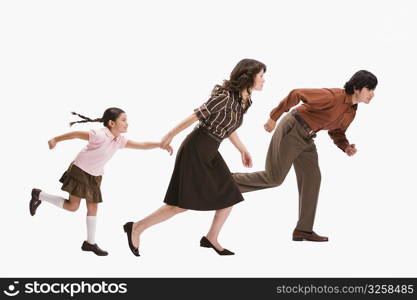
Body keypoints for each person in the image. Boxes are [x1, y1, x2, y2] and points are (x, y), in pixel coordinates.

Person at [123, 59, 266, 256]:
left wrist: (242, 149)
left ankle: (211, 238)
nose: (264, 80)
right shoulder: (224, 97)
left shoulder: (245, 100)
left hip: (211, 151)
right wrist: (169, 134)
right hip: (196, 149)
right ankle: (137, 227)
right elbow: (195, 116)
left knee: (229, 194)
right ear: (248, 77)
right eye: (261, 76)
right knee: (180, 206)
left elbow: (229, 127)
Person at [233, 70, 378, 242]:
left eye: (373, 90)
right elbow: (297, 93)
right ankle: (225, 181)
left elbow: (337, 132)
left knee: (312, 178)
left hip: (307, 137)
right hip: (293, 128)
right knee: (274, 178)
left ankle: (303, 230)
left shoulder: (352, 111)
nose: (372, 94)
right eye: (369, 89)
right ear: (356, 87)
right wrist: (274, 117)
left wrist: (345, 147)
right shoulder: (333, 97)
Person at [29, 108, 172, 256]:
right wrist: (55, 140)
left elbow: (141, 145)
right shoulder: (100, 135)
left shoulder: (119, 140)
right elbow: (76, 134)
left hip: (95, 176)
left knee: (93, 208)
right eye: (123, 120)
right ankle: (39, 195)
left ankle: (90, 243)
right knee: (73, 207)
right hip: (80, 171)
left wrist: (160, 145)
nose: (127, 124)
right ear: (111, 123)